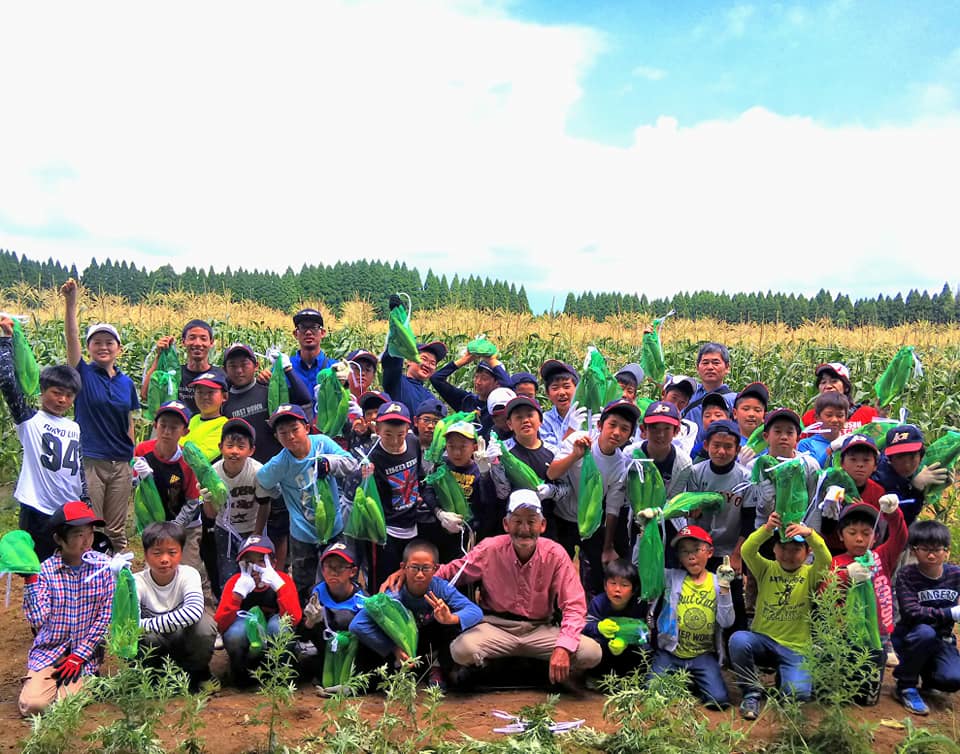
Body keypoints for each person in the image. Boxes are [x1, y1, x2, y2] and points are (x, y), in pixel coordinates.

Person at [425, 490, 602, 686]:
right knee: (462, 649)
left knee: (591, 652)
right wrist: (414, 572)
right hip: (495, 627)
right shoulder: (490, 549)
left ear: (542, 525)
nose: (524, 529)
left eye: (531, 521)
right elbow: (452, 572)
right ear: (506, 524)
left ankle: (532, 666)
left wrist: (563, 647)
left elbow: (574, 605)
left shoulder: (555, 554)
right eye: (517, 521)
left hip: (539, 628)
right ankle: (514, 669)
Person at [61, 279, 139, 552]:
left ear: (118, 348)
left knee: (116, 528)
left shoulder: (126, 383)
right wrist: (71, 304)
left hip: (121, 463)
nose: (103, 346)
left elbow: (127, 420)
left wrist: (133, 458)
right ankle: (87, 577)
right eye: (97, 342)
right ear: (89, 347)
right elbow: (71, 340)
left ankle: (118, 583)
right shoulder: (81, 374)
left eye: (109, 342)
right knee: (90, 523)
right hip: (92, 461)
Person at [0, 317, 87, 561]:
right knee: (35, 568)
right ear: (42, 392)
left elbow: (78, 468)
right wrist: (6, 342)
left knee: (66, 568)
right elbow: (8, 382)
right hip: (37, 509)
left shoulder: (74, 427)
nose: (62, 400)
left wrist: (85, 500)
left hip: (68, 509)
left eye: (68, 396)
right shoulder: (30, 420)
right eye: (56, 393)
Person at [729, 512, 830, 719]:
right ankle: (752, 692)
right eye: (783, 547)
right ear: (774, 548)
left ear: (807, 552)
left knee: (797, 695)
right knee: (738, 640)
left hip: (796, 648)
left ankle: (784, 679)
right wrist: (767, 529)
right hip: (763, 640)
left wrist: (809, 533)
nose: (788, 554)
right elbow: (748, 550)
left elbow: (826, 558)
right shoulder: (766, 568)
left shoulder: (811, 574)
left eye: (796, 549)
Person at [255, 404, 358, 605]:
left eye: (295, 429)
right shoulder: (280, 463)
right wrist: (278, 492)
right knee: (304, 581)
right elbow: (263, 480)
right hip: (302, 533)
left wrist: (330, 463)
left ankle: (340, 614)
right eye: (283, 433)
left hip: (334, 527)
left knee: (339, 575)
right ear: (276, 437)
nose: (291, 437)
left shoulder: (322, 444)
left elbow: (351, 463)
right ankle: (307, 625)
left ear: (307, 428)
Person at [18, 501, 114, 717]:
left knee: (65, 705)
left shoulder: (105, 567)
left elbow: (105, 617)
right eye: (78, 534)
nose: (87, 540)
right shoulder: (44, 571)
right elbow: (37, 620)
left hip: (84, 656)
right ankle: (44, 681)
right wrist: (31, 581)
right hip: (49, 653)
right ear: (59, 538)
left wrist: (79, 656)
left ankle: (88, 679)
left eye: (90, 532)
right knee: (33, 706)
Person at [351, 539, 482, 689]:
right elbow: (357, 624)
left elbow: (475, 611)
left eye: (426, 568)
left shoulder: (441, 588)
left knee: (454, 625)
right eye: (414, 568)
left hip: (430, 641)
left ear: (435, 568)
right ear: (403, 568)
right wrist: (393, 649)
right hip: (402, 646)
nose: (420, 575)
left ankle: (437, 666)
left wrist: (450, 618)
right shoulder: (392, 596)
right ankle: (384, 674)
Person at [547, 399, 638, 599]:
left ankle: (590, 615)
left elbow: (613, 508)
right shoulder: (579, 440)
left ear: (630, 436)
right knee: (557, 570)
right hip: (562, 517)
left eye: (624, 429)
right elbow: (552, 473)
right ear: (599, 425)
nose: (616, 433)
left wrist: (607, 547)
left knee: (595, 573)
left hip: (591, 522)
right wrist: (574, 455)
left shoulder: (619, 465)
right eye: (612, 425)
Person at [828, 499, 907, 705]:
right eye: (852, 533)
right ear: (840, 536)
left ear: (876, 537)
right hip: (845, 631)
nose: (860, 539)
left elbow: (900, 537)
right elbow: (826, 590)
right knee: (844, 684)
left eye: (866, 533)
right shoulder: (837, 563)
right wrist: (846, 575)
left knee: (868, 692)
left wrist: (893, 513)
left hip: (877, 632)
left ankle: (867, 696)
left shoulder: (881, 557)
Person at [648, 526, 736, 709]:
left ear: (710, 552)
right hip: (671, 653)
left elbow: (727, 622)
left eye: (696, 549)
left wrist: (725, 589)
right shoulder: (671, 577)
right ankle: (686, 680)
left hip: (702, 655)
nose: (691, 556)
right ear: (679, 557)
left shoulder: (717, 582)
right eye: (684, 551)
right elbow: (645, 566)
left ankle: (693, 679)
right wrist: (644, 533)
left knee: (718, 701)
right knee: (652, 693)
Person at [361, 401, 441, 589]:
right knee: (383, 580)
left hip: (412, 523)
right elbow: (366, 499)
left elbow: (419, 475)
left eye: (400, 434)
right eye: (388, 434)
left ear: (408, 429)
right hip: (386, 529)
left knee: (408, 578)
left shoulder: (413, 443)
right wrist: (365, 480)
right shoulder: (372, 458)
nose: (395, 441)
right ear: (377, 429)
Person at [684, 419, 754, 632]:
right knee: (700, 594)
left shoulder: (745, 477)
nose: (721, 451)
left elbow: (749, 520)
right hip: (701, 547)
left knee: (732, 597)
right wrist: (693, 507)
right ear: (706, 446)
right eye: (716, 445)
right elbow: (690, 512)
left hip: (728, 550)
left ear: (737, 449)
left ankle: (735, 644)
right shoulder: (696, 472)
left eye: (728, 446)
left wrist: (737, 554)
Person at [135, 521, 217, 690]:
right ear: (145, 554)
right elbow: (128, 623)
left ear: (181, 552)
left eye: (172, 552)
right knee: (145, 637)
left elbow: (194, 612)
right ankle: (153, 677)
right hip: (156, 643)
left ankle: (198, 673)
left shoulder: (189, 574)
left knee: (204, 626)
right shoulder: (136, 581)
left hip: (183, 639)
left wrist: (146, 624)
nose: (165, 560)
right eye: (157, 553)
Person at [891, 520, 960, 715]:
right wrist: (949, 613)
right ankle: (906, 685)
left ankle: (930, 678)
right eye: (925, 549)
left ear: (946, 551)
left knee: (953, 679)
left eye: (937, 549)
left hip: (943, 639)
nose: (931, 554)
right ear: (914, 551)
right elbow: (912, 611)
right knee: (925, 632)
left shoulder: (955, 575)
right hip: (911, 636)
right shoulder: (907, 575)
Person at [215, 534, 302, 686]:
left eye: (261, 560)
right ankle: (242, 675)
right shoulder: (235, 583)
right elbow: (220, 625)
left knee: (279, 627)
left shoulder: (283, 580)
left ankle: (281, 674)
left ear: (273, 563)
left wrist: (279, 587)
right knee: (235, 634)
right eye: (249, 562)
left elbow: (295, 619)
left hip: (273, 636)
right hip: (249, 641)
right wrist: (237, 595)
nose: (255, 567)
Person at [132, 401, 205, 579]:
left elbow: (193, 501)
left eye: (174, 427)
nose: (166, 432)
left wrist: (173, 528)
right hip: (154, 524)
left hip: (186, 525)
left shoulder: (188, 460)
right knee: (158, 570)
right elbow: (136, 488)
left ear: (185, 431)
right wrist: (138, 477)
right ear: (155, 425)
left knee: (188, 572)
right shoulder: (143, 450)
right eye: (163, 425)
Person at [207, 419, 273, 592]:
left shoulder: (258, 471)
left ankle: (256, 608)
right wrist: (208, 499)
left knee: (257, 572)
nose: (234, 451)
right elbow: (210, 514)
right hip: (225, 528)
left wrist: (257, 534)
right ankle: (230, 610)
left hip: (252, 527)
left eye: (241, 447)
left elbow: (265, 505)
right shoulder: (213, 473)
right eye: (230, 446)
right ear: (221, 447)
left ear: (251, 450)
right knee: (228, 573)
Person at [504, 395, 574, 556]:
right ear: (509, 424)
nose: (525, 421)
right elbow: (501, 491)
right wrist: (491, 468)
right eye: (518, 417)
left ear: (540, 421)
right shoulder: (505, 454)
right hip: (515, 523)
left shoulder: (553, 452)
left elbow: (566, 487)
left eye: (530, 415)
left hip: (547, 523)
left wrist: (551, 491)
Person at [632, 401, 694, 566]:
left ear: (676, 431)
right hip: (635, 520)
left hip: (667, 521)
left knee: (666, 569)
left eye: (667, 429)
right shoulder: (631, 455)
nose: (660, 435)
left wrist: (654, 516)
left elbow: (674, 500)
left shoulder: (683, 463)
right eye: (654, 428)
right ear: (643, 430)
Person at [141, 319, 226, 416]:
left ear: (211, 343)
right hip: (177, 429)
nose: (198, 343)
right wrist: (159, 356)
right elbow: (145, 394)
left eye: (203, 338)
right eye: (192, 338)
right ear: (183, 342)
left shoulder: (220, 376)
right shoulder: (173, 375)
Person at [753, 408, 821, 529]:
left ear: (797, 438)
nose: (784, 437)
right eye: (778, 432)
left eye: (790, 433)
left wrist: (811, 537)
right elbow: (752, 508)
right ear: (766, 436)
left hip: (799, 536)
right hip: (765, 534)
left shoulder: (809, 464)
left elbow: (814, 504)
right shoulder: (756, 466)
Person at [873, 425, 952, 527]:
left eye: (912, 457)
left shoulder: (922, 467)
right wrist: (916, 488)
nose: (907, 464)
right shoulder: (880, 478)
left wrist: (936, 487)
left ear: (921, 455)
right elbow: (899, 521)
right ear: (890, 458)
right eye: (899, 457)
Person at [583, 559, 648, 680]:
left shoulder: (639, 606)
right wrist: (599, 627)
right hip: (604, 648)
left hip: (629, 650)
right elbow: (585, 628)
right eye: (612, 583)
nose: (617, 589)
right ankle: (596, 677)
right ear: (605, 586)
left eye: (624, 585)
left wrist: (625, 640)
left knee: (642, 654)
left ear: (634, 590)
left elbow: (645, 632)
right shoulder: (598, 603)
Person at [431, 350, 512, 439]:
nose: (478, 382)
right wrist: (464, 360)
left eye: (484, 378)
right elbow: (436, 379)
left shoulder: (500, 407)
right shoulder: (466, 400)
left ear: (498, 383)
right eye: (476, 377)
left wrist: (492, 361)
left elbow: (509, 388)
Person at [381, 332, 448, 418]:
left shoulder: (431, 398)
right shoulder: (397, 382)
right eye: (424, 359)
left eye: (433, 363)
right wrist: (399, 337)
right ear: (409, 360)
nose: (427, 365)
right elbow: (392, 361)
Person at [801, 363, 880, 434]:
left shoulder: (867, 413)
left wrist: (882, 416)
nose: (828, 386)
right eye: (823, 382)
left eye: (834, 381)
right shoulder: (810, 417)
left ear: (846, 387)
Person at [681, 343, 737, 430]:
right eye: (705, 363)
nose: (710, 367)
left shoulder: (735, 400)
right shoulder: (688, 392)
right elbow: (659, 377)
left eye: (716, 363)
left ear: (727, 368)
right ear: (697, 368)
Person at [180, 372, 230, 462]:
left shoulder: (224, 426)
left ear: (224, 396)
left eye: (211, 392)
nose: (205, 397)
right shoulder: (192, 419)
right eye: (200, 392)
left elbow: (199, 458)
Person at [288, 308, 338, 395]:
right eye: (303, 327)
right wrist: (263, 379)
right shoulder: (285, 367)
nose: (308, 332)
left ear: (322, 333)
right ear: (295, 334)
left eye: (314, 327)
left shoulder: (335, 368)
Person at [538, 360, 583, 450]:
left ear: (577, 389)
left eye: (566, 386)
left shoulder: (588, 416)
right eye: (555, 388)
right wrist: (571, 430)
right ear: (548, 394)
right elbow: (550, 455)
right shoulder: (544, 421)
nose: (561, 393)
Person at [797, 392, 849, 468]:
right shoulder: (806, 445)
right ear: (817, 417)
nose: (834, 420)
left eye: (840, 416)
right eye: (829, 415)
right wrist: (830, 449)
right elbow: (812, 474)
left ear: (846, 418)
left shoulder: (850, 443)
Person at [348, 390, 390, 456]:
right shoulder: (359, 433)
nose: (373, 417)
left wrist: (377, 434)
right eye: (368, 413)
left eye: (377, 411)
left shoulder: (398, 433)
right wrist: (359, 434)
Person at [732, 382, 768, 447]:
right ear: (735, 413)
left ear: (764, 416)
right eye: (746, 409)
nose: (751, 414)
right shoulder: (729, 442)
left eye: (757, 410)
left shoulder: (769, 444)